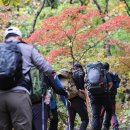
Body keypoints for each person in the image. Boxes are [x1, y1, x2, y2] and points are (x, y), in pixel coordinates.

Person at [0, 26, 68, 130]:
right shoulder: (27, 48)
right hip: (19, 95)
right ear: (19, 37)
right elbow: (47, 69)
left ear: (5, 38)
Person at [58, 64, 89, 130]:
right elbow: (81, 88)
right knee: (85, 119)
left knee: (70, 123)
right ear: (79, 68)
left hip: (67, 100)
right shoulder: (78, 74)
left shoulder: (67, 76)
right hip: (77, 99)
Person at [86, 61, 113, 130]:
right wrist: (107, 90)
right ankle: (106, 126)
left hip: (93, 96)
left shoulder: (88, 73)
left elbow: (86, 85)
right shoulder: (105, 72)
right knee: (109, 109)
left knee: (95, 115)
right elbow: (110, 83)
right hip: (104, 94)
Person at [100, 62, 120, 130]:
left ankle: (101, 127)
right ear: (108, 67)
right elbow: (117, 84)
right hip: (113, 96)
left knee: (101, 113)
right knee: (112, 112)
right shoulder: (113, 74)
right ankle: (115, 126)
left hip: (105, 96)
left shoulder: (104, 74)